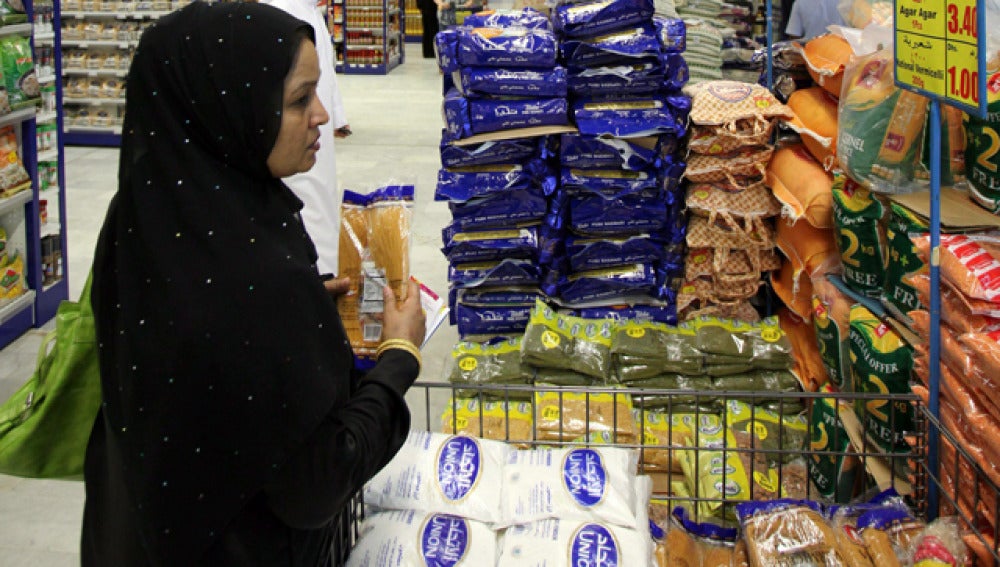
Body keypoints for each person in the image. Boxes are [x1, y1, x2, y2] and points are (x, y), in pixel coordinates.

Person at [81, 2, 425, 565]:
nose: (321, 116)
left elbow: (204, 362)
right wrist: (398, 356)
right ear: (226, 111)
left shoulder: (139, 223)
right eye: (297, 101)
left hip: (134, 533)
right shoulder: (261, 274)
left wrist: (299, 314)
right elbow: (316, 483)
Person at [262, 0, 350, 277]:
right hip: (292, 141)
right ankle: (319, 276)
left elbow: (325, 73)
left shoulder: (310, 13)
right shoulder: (281, 14)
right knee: (305, 201)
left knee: (320, 196)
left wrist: (337, 115)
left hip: (314, 140)